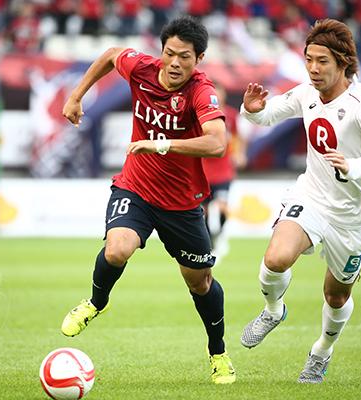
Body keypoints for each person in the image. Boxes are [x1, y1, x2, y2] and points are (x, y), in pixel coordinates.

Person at [61, 16, 235, 384]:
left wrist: (161, 144)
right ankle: (95, 302)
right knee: (117, 249)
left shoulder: (201, 92)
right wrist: (77, 96)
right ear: (161, 51)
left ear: (199, 58)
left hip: (183, 203)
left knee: (200, 282)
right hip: (136, 188)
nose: (175, 63)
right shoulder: (141, 68)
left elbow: (218, 143)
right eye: (170, 53)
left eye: (184, 57)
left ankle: (218, 352)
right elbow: (110, 55)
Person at [239, 18, 361, 384]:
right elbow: (267, 116)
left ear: (343, 62)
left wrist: (354, 166)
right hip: (311, 196)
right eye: (309, 58)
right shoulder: (305, 93)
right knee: (276, 257)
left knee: (336, 295)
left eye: (322, 60)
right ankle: (272, 310)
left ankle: (321, 352)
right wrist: (251, 110)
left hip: (352, 217)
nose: (313, 68)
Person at [201, 84, 246, 260]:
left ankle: (218, 233)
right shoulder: (201, 115)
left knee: (221, 207)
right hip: (202, 171)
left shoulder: (231, 116)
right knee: (202, 211)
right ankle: (209, 241)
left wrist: (240, 154)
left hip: (223, 171)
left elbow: (239, 137)